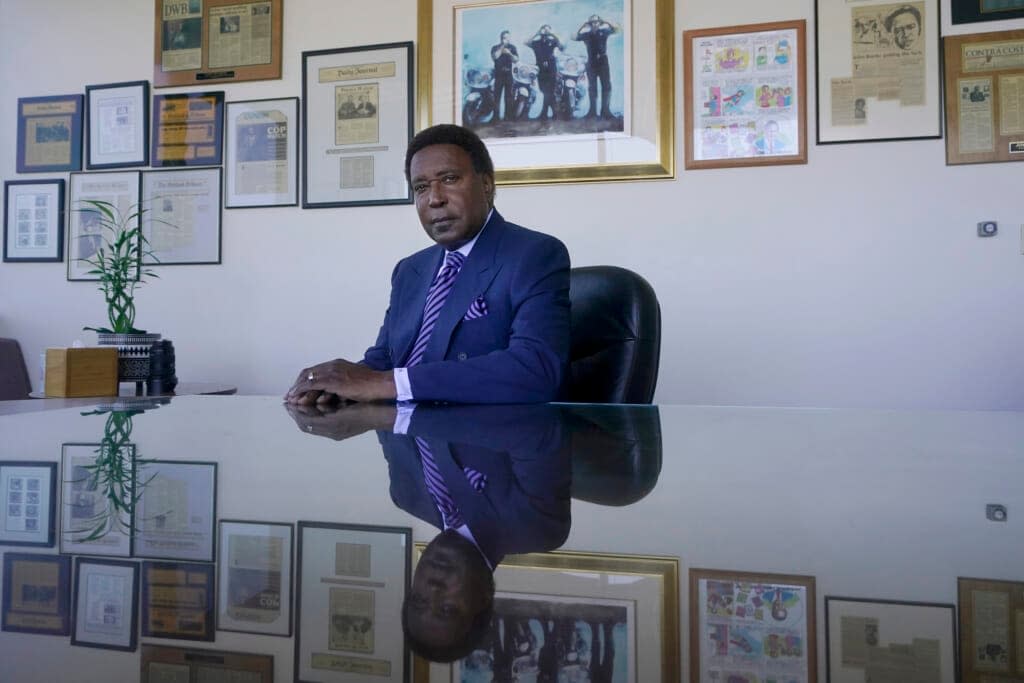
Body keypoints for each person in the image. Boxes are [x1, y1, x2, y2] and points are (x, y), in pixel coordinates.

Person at [284, 124, 570, 405]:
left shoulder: (534, 254)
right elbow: (383, 360)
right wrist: (337, 384)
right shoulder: (410, 270)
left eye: (449, 179)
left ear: (486, 184)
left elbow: (535, 370)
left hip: (478, 443)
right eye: (421, 187)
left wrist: (386, 383)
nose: (434, 199)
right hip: (403, 439)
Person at [573, 14, 619, 119]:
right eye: (592, 22)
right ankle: (592, 112)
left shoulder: (604, 32)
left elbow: (617, 30)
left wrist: (606, 20)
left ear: (600, 23)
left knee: (606, 85)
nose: (595, 24)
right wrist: (582, 25)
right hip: (591, 62)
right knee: (592, 87)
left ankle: (606, 111)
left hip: (603, 61)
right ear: (589, 24)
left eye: (597, 22)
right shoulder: (586, 34)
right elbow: (574, 37)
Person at [526, 25, 565, 120]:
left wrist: (553, 34)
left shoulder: (552, 41)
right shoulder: (536, 42)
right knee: (543, 90)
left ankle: (545, 114)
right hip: (541, 69)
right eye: (544, 29)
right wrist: (537, 33)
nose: (546, 31)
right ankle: (554, 113)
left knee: (550, 91)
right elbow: (526, 42)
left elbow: (562, 47)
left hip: (551, 68)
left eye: (548, 30)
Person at [490, 30, 519, 120]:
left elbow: (516, 60)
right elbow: (495, 57)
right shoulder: (495, 47)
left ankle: (508, 116)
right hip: (498, 75)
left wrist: (509, 53)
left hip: (508, 75)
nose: (506, 39)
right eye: (504, 37)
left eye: (507, 37)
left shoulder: (512, 47)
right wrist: (502, 47)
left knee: (509, 97)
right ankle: (496, 117)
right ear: (501, 38)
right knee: (496, 96)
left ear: (510, 38)